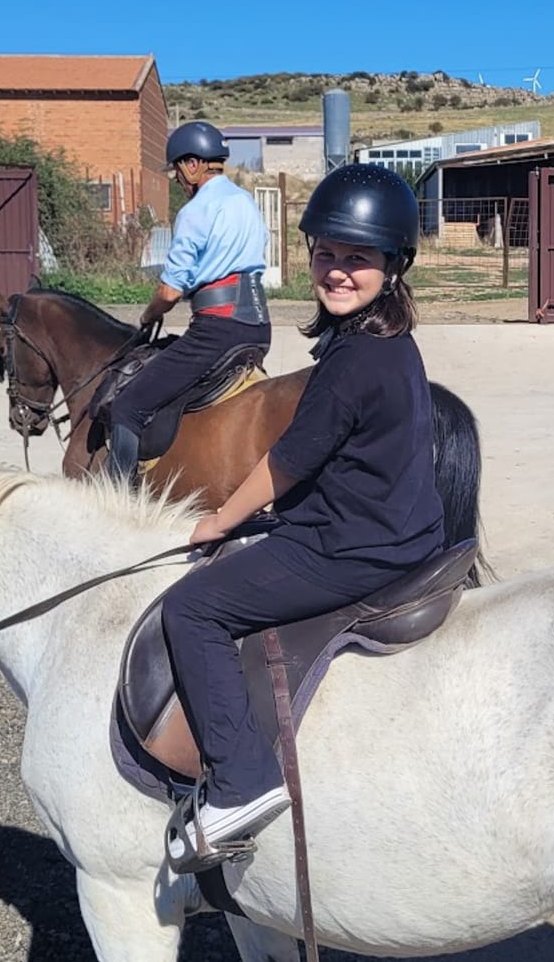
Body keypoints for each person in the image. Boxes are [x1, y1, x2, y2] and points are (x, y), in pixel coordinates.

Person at [162, 163, 445, 869]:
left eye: (357, 258)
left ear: (393, 265)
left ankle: (242, 780)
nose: (337, 271)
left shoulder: (354, 361)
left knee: (191, 608)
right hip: (400, 529)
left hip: (352, 549)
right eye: (325, 252)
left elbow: (286, 462)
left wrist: (219, 520)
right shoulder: (385, 342)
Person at [103, 121, 271, 484]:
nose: (178, 180)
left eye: (178, 170)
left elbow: (169, 291)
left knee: (129, 406)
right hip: (258, 328)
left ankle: (115, 497)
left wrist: (148, 316)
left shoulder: (195, 211)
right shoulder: (246, 202)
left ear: (192, 165)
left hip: (218, 330)